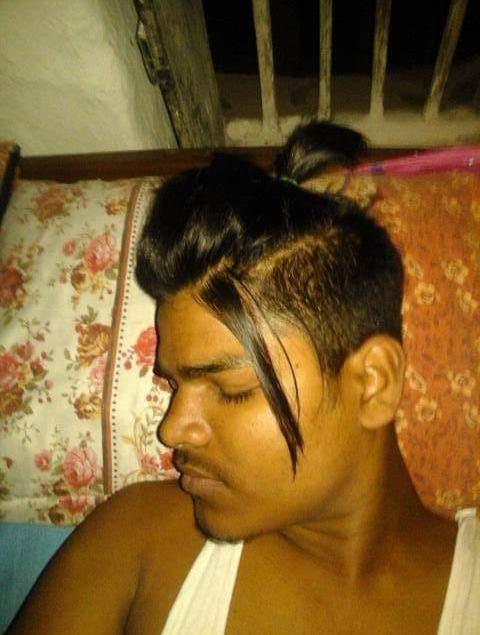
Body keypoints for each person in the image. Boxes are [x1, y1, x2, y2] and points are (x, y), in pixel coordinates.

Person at [7, 122, 478, 634]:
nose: (172, 430)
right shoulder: (136, 538)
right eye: (174, 385)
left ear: (373, 383)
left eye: (231, 390)